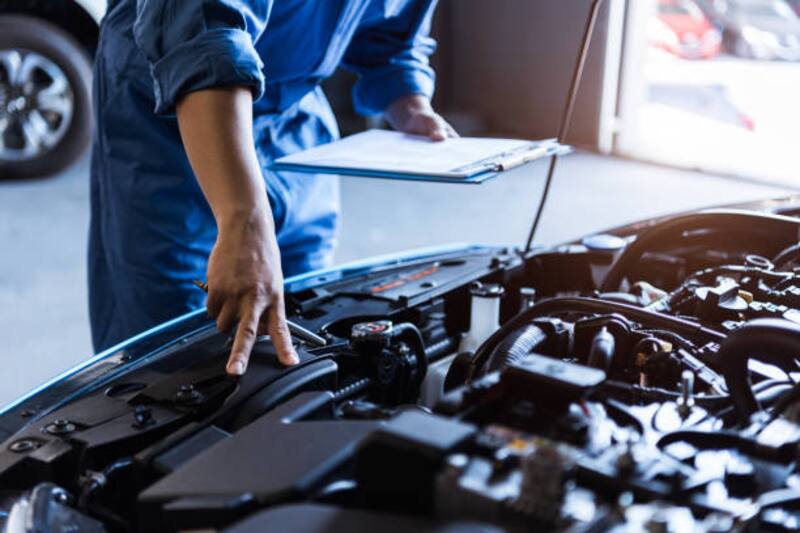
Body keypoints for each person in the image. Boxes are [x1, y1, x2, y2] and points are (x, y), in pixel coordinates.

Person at [89, 0, 457, 376]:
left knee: (308, 319)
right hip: (176, 124)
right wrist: (243, 219)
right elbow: (201, 32)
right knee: (175, 351)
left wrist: (410, 102)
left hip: (293, 121)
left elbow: (393, 29)